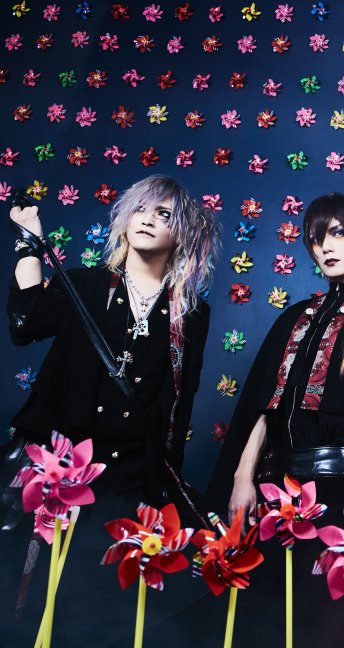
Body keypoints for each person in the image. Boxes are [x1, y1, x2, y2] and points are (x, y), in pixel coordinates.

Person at [1, 174, 221, 645]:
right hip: (60, 470)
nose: (148, 219)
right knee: (32, 594)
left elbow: (179, 404)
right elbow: (25, 323)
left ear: (182, 232)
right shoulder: (86, 283)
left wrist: (163, 483)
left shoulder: (190, 314)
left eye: (164, 214)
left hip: (127, 478)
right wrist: (27, 243)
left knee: (101, 606)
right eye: (141, 208)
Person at [207, 193, 344, 647]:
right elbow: (264, 408)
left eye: (338, 233)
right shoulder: (291, 319)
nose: (325, 247)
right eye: (315, 238)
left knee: (336, 625)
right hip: (276, 494)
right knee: (268, 620)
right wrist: (242, 476)